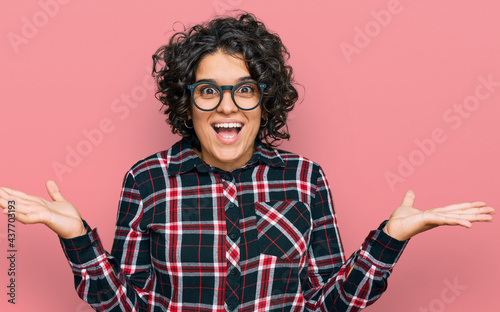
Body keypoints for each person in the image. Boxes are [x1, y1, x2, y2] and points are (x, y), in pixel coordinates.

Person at [0, 13, 495, 312]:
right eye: (209, 91)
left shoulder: (306, 178)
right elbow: (128, 305)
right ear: (186, 102)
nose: (227, 106)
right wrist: (75, 238)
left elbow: (326, 303)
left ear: (265, 101)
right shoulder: (147, 180)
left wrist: (390, 239)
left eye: (244, 89)